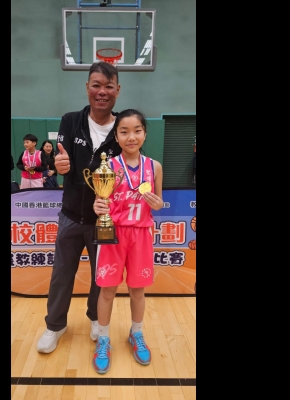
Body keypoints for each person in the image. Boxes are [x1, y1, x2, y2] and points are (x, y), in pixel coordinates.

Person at [36, 61, 122, 354]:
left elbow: (130, 168)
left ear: (118, 90)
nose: (102, 91)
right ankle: (55, 325)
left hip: (105, 219)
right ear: (87, 88)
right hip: (71, 216)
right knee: (61, 274)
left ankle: (96, 318)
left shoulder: (123, 126)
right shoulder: (71, 120)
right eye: (96, 85)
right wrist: (60, 164)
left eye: (108, 86)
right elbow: (63, 159)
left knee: (102, 274)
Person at [91, 109, 163, 374]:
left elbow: (159, 202)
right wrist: (98, 206)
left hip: (141, 235)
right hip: (113, 235)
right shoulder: (108, 167)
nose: (131, 137)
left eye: (137, 131)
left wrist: (158, 203)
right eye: (124, 131)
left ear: (144, 133)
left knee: (137, 290)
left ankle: (137, 333)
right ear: (117, 136)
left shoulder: (154, 167)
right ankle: (103, 339)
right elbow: (100, 201)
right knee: (107, 290)